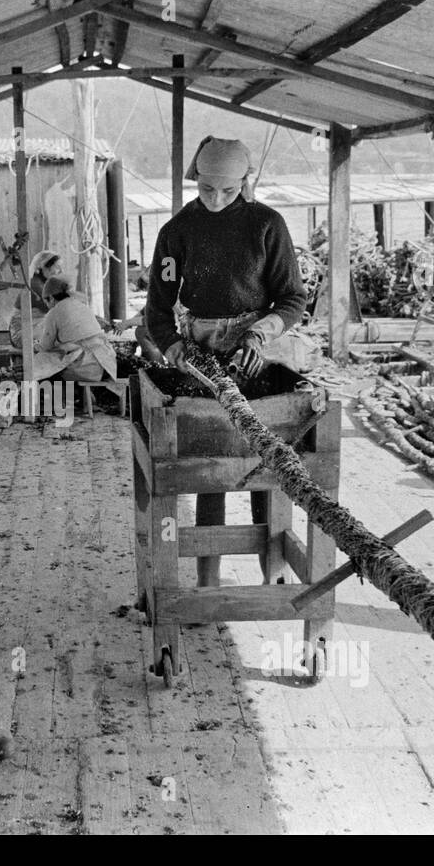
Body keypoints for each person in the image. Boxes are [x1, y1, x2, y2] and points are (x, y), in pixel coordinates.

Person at [144, 136, 308, 583]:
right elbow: (157, 310)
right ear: (195, 179)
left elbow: (292, 298)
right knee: (210, 466)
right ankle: (206, 579)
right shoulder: (176, 232)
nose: (216, 200)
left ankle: (272, 576)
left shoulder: (266, 225)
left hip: (259, 349)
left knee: (267, 461)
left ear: (245, 182)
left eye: (229, 191)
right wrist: (174, 347)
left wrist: (259, 333)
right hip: (202, 351)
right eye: (207, 189)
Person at [35, 275, 117, 382]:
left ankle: (67, 398)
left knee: (43, 366)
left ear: (51, 298)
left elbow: (45, 346)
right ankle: (84, 395)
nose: (47, 305)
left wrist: (36, 346)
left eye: (46, 302)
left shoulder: (54, 312)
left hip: (87, 367)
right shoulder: (81, 305)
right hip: (108, 363)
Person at [9, 250, 60, 350]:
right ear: (43, 268)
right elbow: (59, 309)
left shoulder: (42, 284)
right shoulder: (35, 285)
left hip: (33, 330)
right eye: (55, 267)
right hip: (23, 334)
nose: (57, 271)